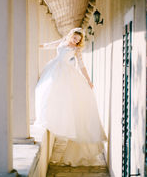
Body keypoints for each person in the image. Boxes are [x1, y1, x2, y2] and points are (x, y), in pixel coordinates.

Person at [35, 27, 107, 166]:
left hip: (65, 72)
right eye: (75, 38)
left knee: (63, 97)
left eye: (78, 40)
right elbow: (49, 45)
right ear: (71, 35)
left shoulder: (76, 50)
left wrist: (88, 80)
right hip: (54, 68)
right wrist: (36, 46)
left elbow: (81, 66)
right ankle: (46, 115)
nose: (75, 41)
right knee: (45, 90)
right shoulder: (62, 41)